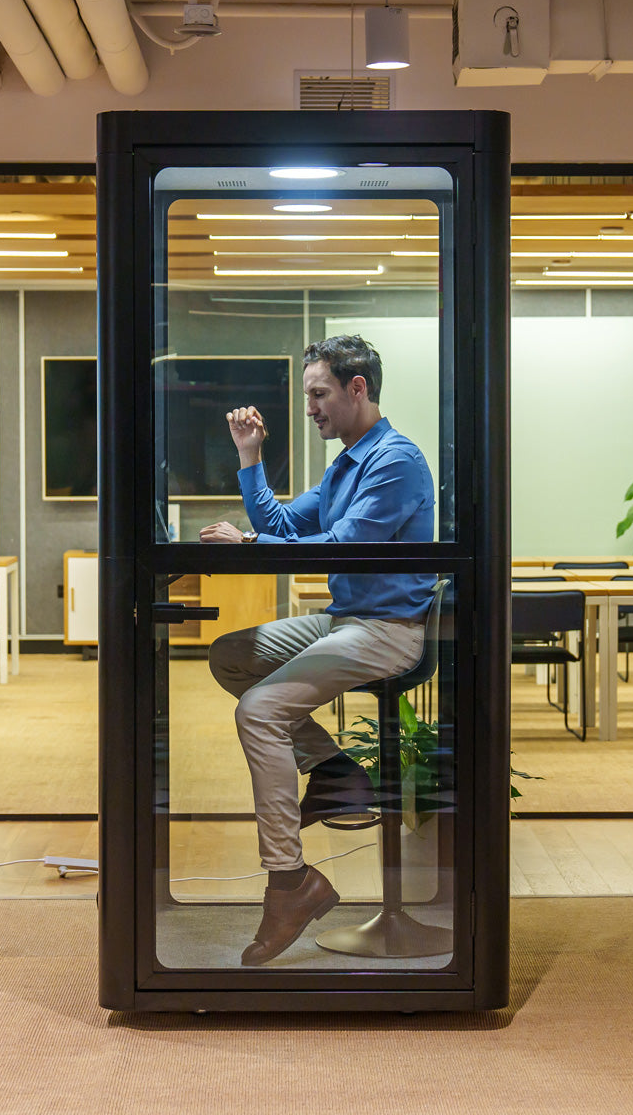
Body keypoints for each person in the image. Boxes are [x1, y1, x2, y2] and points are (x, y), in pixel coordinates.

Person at [200, 334, 435, 965]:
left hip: (387, 629)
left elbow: (341, 544)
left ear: (358, 388)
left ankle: (289, 884)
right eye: (308, 395)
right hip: (345, 619)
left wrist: (249, 547)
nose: (309, 407)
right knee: (231, 654)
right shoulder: (346, 462)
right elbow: (281, 526)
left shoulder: (395, 461)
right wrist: (250, 456)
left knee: (260, 712)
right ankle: (333, 774)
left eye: (319, 393)